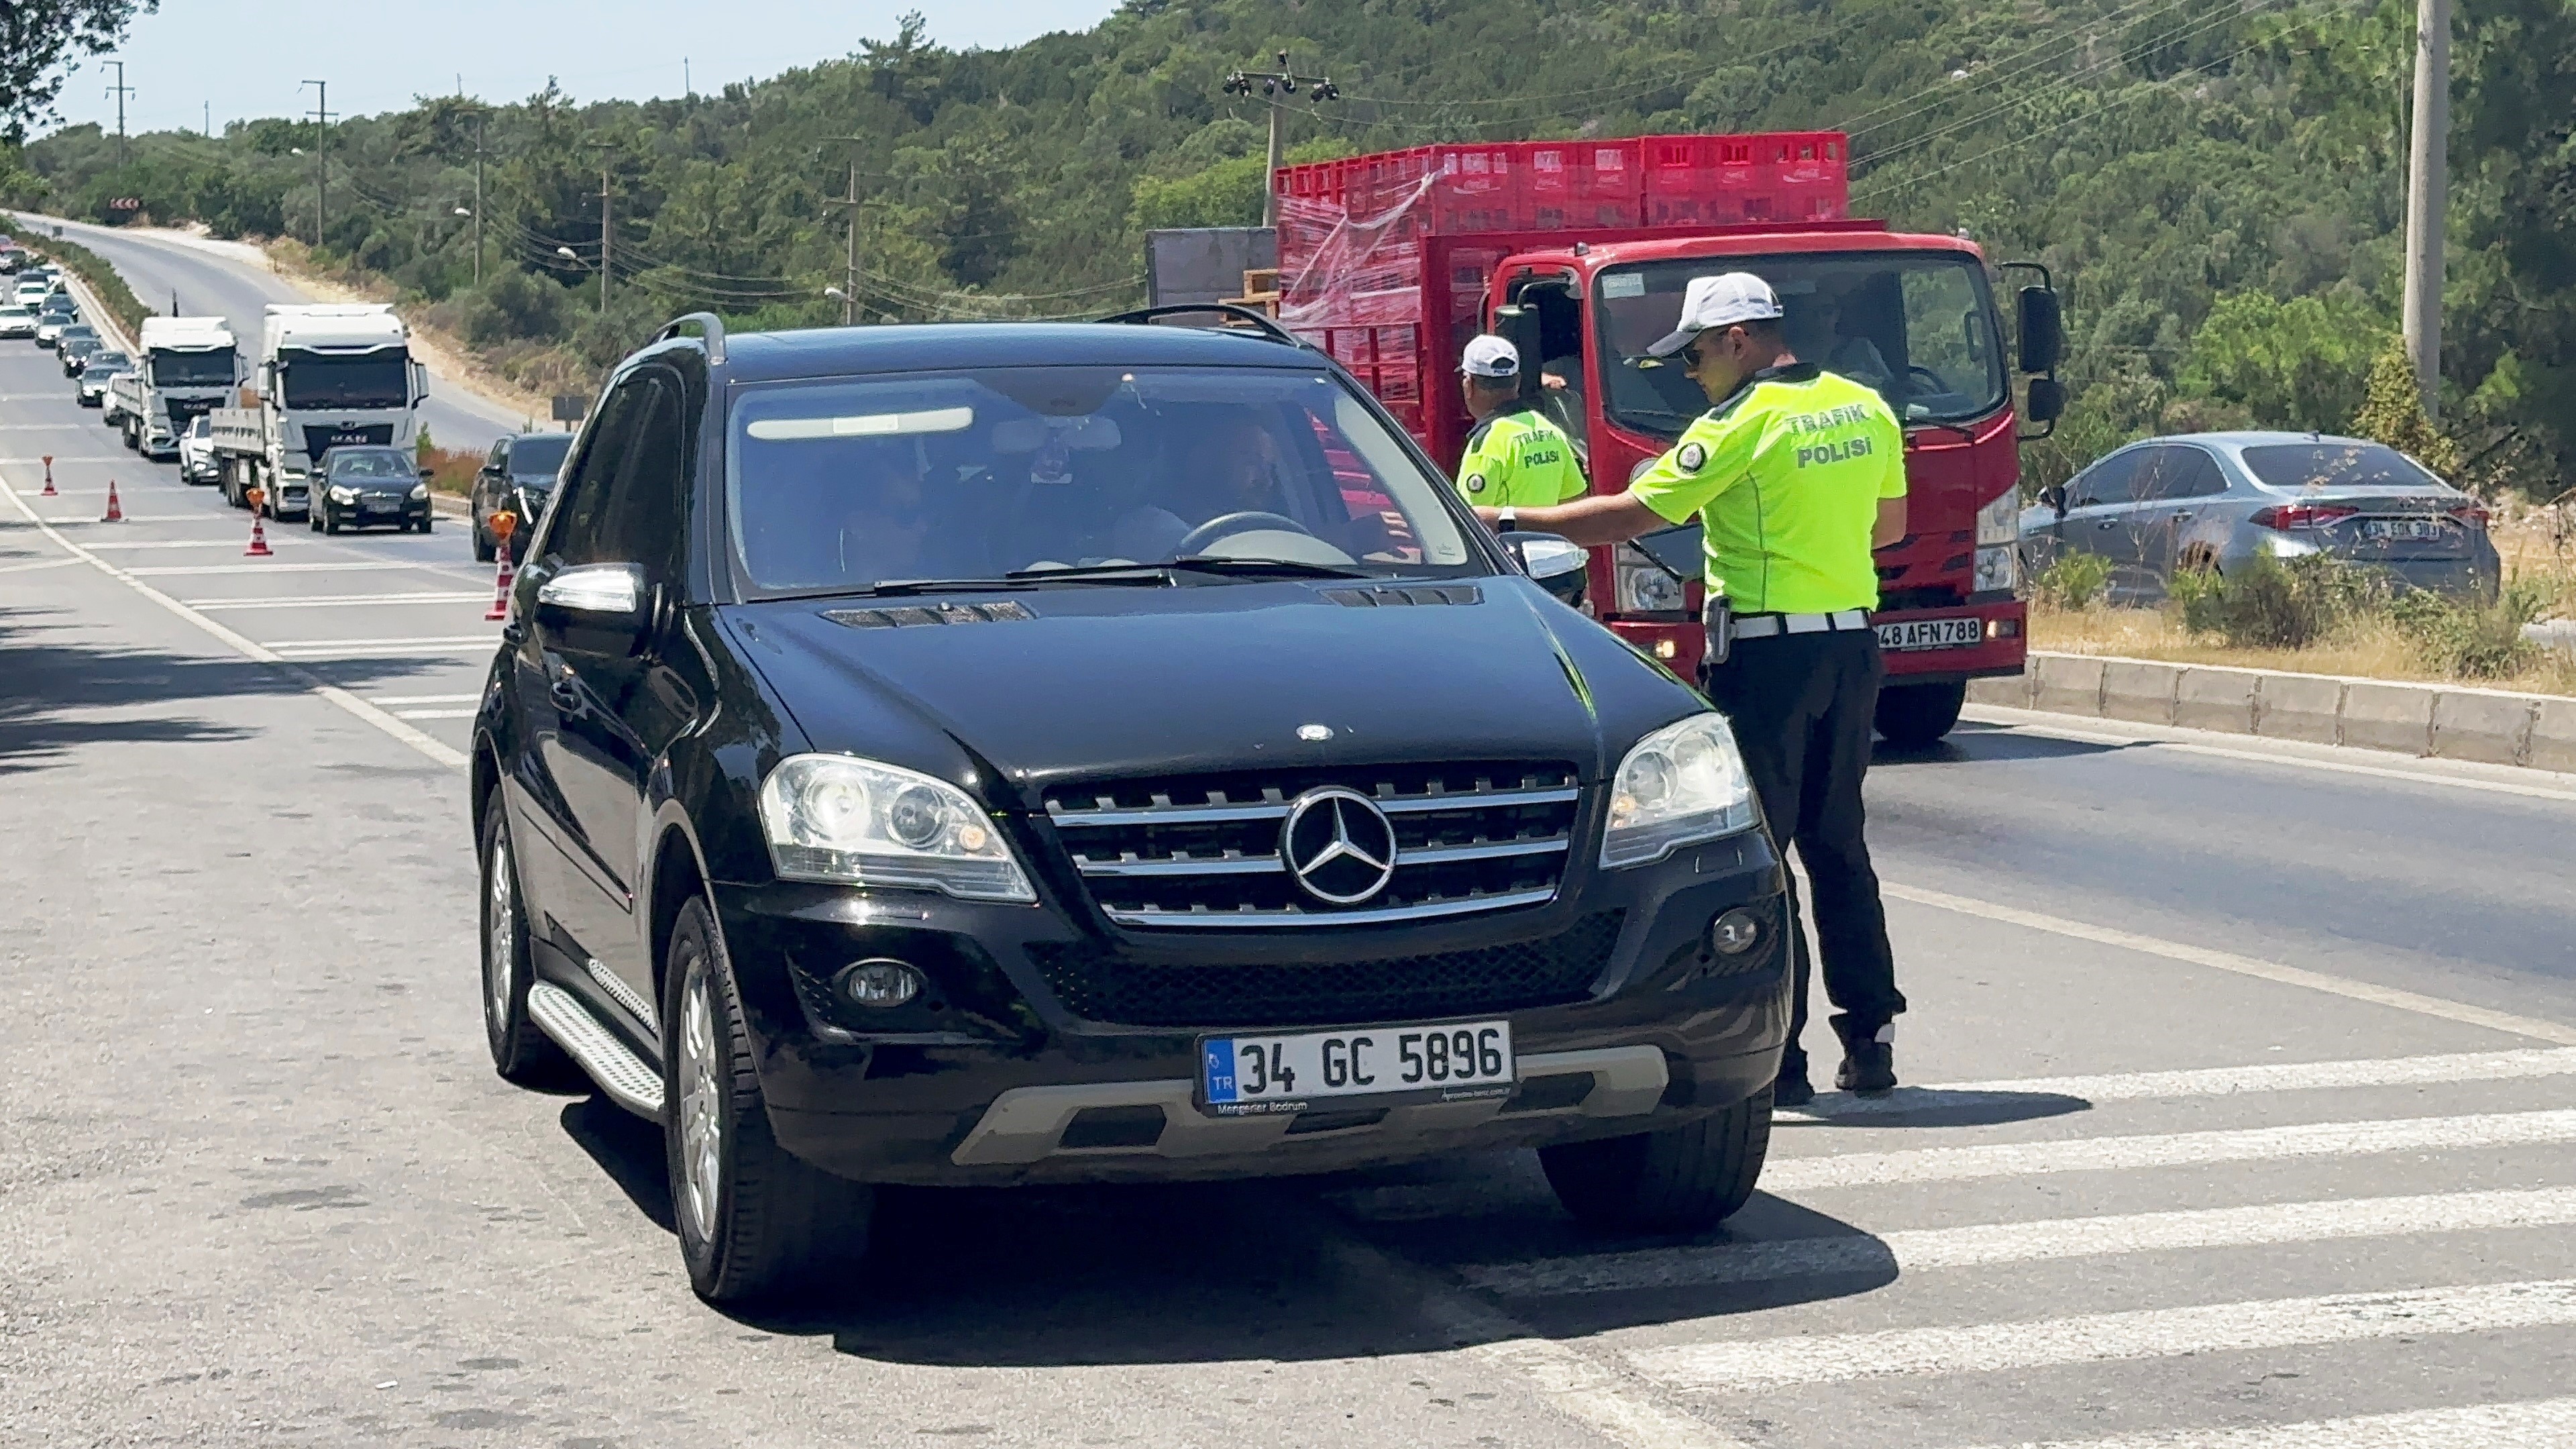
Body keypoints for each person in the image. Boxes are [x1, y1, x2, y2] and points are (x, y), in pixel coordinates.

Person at [1468, 272, 1908, 1104]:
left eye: (1697, 354)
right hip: (1853, 649)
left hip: (1768, 661)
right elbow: (1890, 527)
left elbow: (1632, 516)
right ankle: (1874, 1041)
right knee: (1840, 846)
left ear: (1739, 340)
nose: (1690, 372)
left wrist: (1510, 521)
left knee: (1763, 857)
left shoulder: (1734, 427)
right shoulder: (1864, 405)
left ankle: (1785, 1060)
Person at [1453, 335, 1588, 509]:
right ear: (1517, 382)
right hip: (1551, 537)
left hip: (1502, 538)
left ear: (1468, 385)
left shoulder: (1486, 444)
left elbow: (1470, 520)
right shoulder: (1551, 430)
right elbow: (1576, 504)